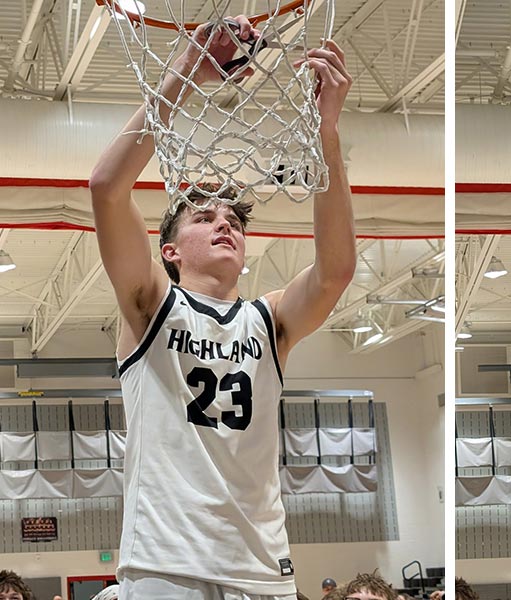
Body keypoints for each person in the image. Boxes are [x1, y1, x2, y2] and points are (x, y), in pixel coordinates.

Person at [89, 13, 355, 600]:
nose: (225, 225)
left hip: (262, 569)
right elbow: (108, 187)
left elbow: (336, 272)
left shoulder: (269, 318)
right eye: (204, 218)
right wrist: (188, 68)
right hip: (168, 564)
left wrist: (326, 134)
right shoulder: (151, 303)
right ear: (169, 250)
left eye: (233, 220)